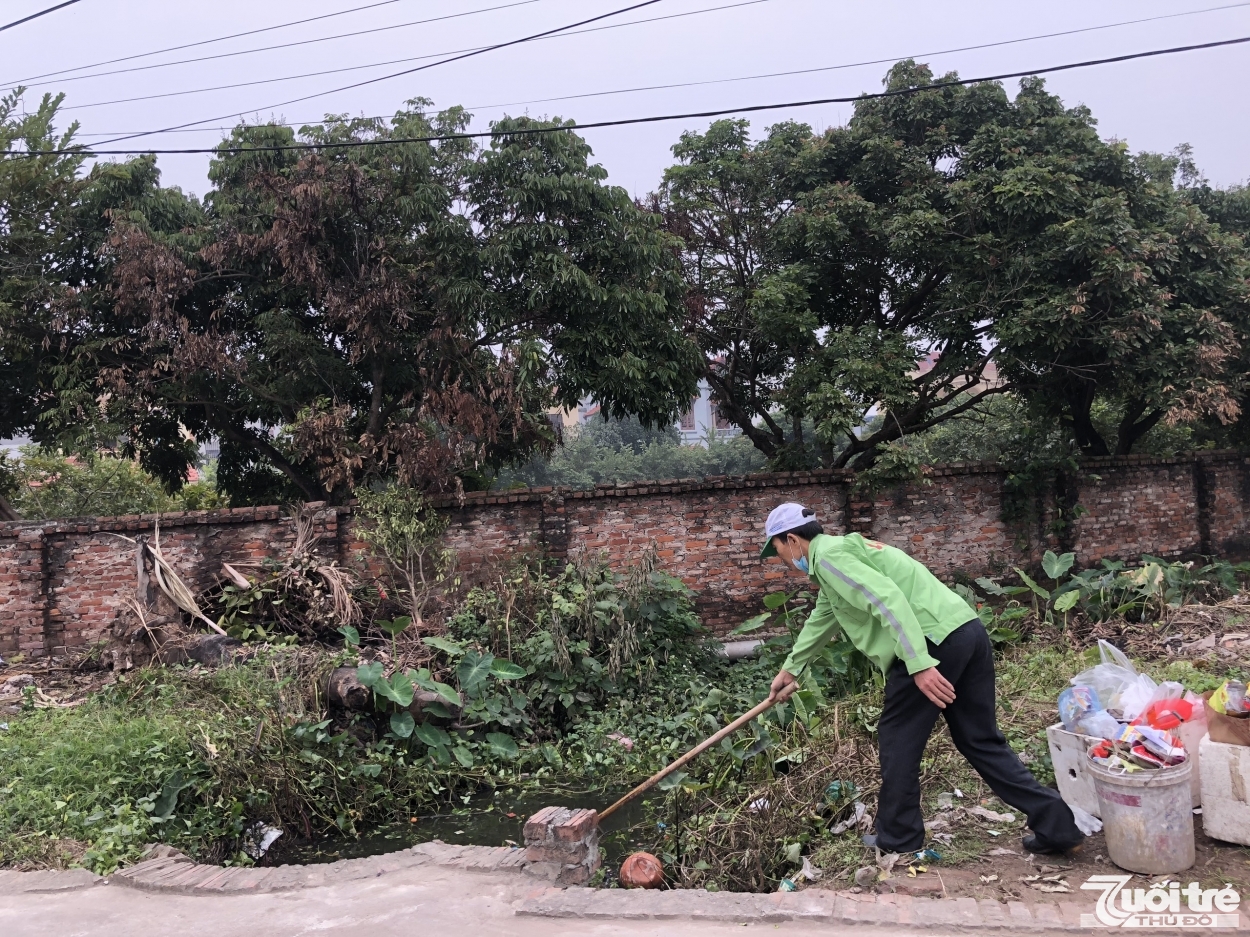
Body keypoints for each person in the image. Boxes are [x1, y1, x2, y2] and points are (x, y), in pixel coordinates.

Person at [760, 502, 1083, 856]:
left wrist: (919, 663)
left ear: (792, 539)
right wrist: (791, 669)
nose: (784, 563)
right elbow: (823, 618)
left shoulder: (830, 558)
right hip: (965, 631)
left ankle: (898, 838)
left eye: (778, 553)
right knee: (980, 739)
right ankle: (1057, 823)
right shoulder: (841, 554)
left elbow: (889, 601)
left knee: (898, 738)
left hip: (930, 645)